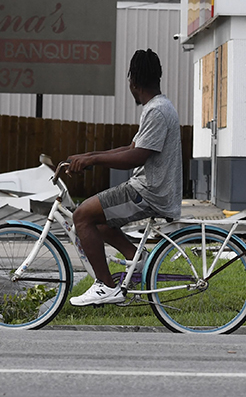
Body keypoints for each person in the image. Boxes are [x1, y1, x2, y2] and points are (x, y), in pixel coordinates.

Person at [65, 48, 183, 306]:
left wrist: (93, 159)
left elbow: (137, 157)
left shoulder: (157, 111)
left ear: (133, 81)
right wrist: (87, 156)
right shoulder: (158, 107)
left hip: (149, 192)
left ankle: (105, 286)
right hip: (150, 188)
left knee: (82, 216)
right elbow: (131, 149)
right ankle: (135, 257)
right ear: (158, 77)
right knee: (101, 221)